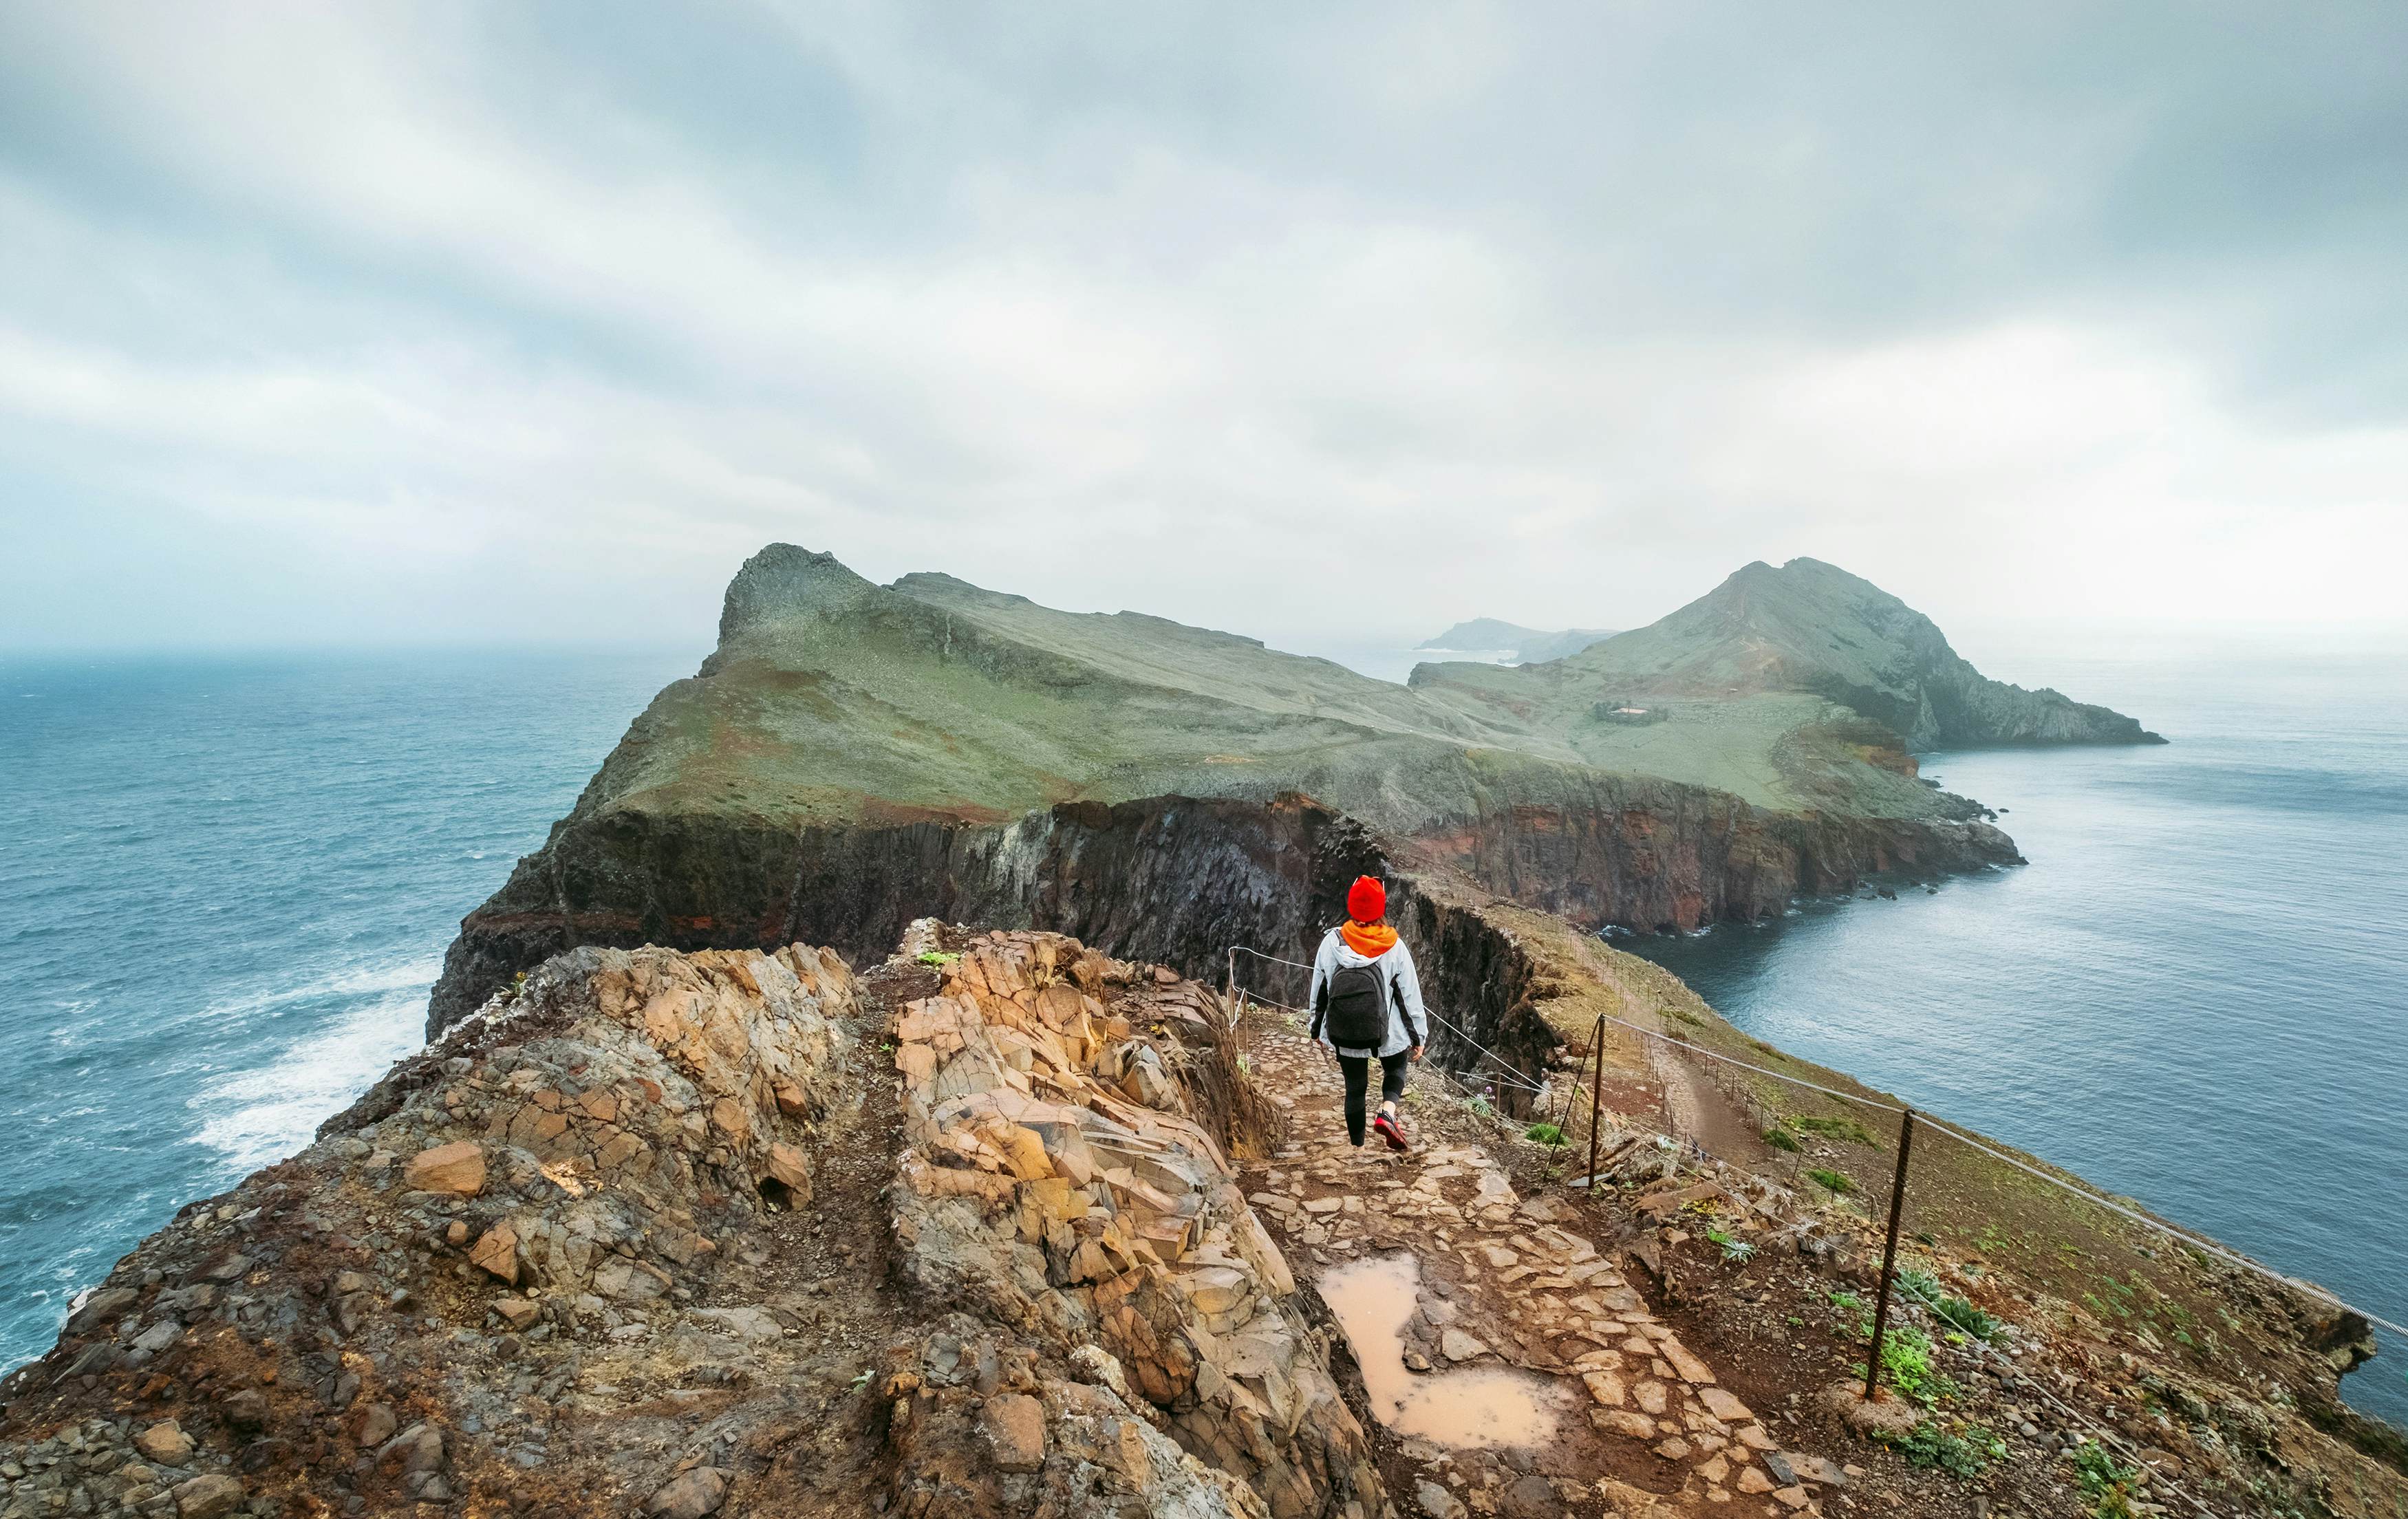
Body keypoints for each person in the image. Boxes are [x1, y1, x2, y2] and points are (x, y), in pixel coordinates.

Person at [1307, 875, 1428, 1151]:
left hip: (1345, 1030)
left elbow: (1320, 989)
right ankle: (1387, 1112)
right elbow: (1409, 996)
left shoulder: (1331, 943)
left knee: (1355, 1087)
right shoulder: (1394, 946)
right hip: (1388, 1032)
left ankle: (1357, 1149)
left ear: (1352, 905)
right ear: (1381, 908)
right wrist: (1418, 1034)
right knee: (1396, 1068)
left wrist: (1316, 1028)